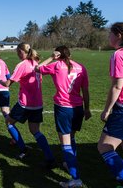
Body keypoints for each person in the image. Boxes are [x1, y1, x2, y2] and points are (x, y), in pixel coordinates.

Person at [36, 45, 91, 187]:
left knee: (65, 142)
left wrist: (50, 57)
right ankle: (69, 164)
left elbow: (37, 68)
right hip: (78, 108)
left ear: (58, 54)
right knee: (71, 138)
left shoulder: (57, 65)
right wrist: (87, 108)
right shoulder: (81, 67)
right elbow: (85, 90)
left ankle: (75, 178)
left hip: (63, 108)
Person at [0, 43, 55, 166]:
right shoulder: (37, 63)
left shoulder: (22, 65)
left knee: (9, 122)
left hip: (25, 104)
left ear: (20, 52)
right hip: (38, 103)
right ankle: (50, 158)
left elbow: (8, 84)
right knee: (35, 131)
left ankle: (23, 150)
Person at [97, 22, 123, 188]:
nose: (109, 37)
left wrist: (106, 110)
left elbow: (117, 86)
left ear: (118, 35)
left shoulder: (119, 55)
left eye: (110, 33)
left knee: (104, 147)